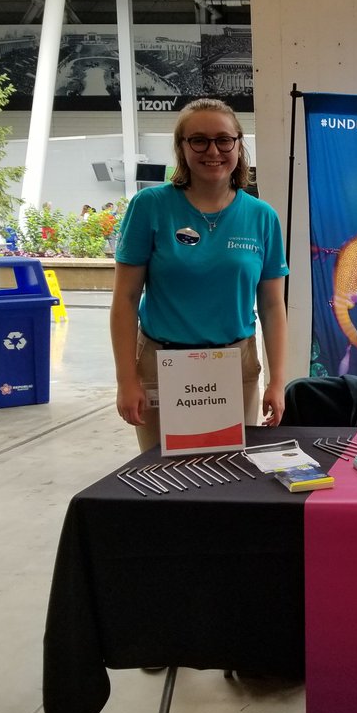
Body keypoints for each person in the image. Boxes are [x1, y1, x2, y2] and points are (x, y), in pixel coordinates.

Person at [111, 97, 288, 451]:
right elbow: (125, 300)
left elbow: (271, 306)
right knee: (164, 477)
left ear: (238, 145)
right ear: (182, 147)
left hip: (233, 367)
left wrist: (277, 380)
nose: (214, 151)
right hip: (161, 365)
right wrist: (126, 379)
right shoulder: (150, 207)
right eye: (199, 140)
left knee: (228, 478)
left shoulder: (261, 216)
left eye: (224, 140)